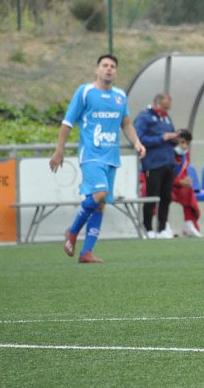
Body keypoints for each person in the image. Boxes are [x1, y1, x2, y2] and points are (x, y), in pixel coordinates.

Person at [50, 54, 146, 263]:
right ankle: (73, 231)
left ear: (116, 72)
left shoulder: (120, 96)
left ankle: (86, 252)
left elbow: (126, 123)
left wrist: (136, 142)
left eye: (112, 66)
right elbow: (67, 123)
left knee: (101, 204)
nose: (108, 69)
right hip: (91, 156)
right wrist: (59, 150)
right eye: (104, 65)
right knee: (100, 194)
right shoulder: (85, 92)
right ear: (97, 70)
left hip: (111, 157)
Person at [134, 92, 179, 239]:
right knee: (151, 195)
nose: (168, 108)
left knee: (166, 196)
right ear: (158, 103)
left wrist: (175, 138)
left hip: (168, 163)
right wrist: (161, 138)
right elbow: (139, 139)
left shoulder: (165, 117)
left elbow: (170, 134)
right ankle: (147, 227)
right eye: (167, 104)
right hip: (151, 166)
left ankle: (162, 227)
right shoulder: (144, 117)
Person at [171, 129, 203, 237]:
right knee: (163, 194)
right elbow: (160, 176)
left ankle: (189, 224)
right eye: (182, 142)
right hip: (164, 185)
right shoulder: (166, 153)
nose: (185, 146)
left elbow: (182, 172)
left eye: (187, 144)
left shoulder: (185, 155)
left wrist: (186, 180)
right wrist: (179, 181)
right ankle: (162, 227)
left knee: (188, 190)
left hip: (175, 185)